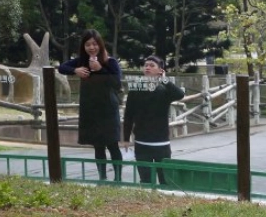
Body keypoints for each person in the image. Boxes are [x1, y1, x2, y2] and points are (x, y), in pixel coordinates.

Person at [59, 29, 123, 182]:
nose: (91, 47)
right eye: (88, 44)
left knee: (112, 145)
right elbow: (62, 68)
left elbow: (117, 83)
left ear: (100, 45)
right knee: (98, 146)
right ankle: (102, 178)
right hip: (91, 110)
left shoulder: (110, 62)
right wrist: (75, 70)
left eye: (94, 44)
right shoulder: (81, 61)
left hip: (108, 110)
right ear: (84, 46)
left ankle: (118, 178)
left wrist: (100, 70)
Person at [122, 55, 186, 185]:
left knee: (165, 180)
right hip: (141, 142)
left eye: (152, 65)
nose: (148, 67)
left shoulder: (164, 90)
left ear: (160, 70)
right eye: (146, 65)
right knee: (145, 180)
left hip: (161, 143)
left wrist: (165, 80)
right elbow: (128, 115)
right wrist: (126, 138)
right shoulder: (136, 89)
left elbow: (180, 94)